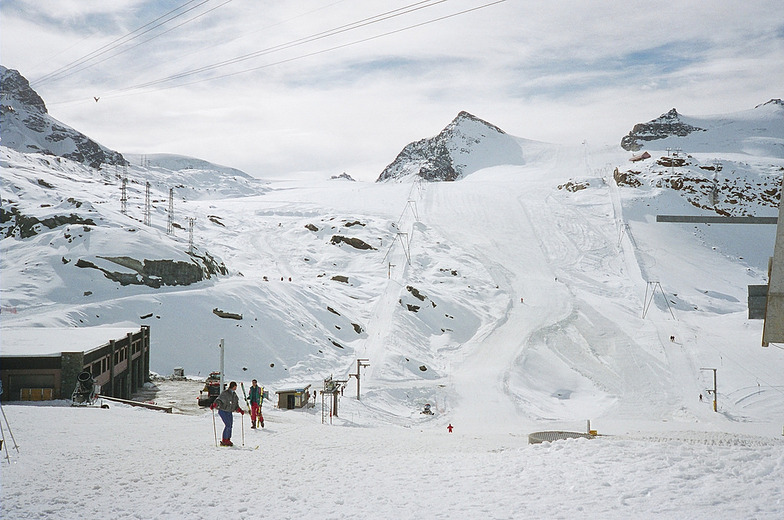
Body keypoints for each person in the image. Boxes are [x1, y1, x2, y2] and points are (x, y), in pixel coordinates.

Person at [211, 381, 244, 446]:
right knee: (228, 425)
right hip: (223, 411)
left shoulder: (234, 395)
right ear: (233, 386)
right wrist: (215, 404)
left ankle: (228, 439)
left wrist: (239, 410)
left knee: (230, 425)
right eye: (235, 386)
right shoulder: (225, 393)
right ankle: (224, 440)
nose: (236, 388)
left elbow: (235, 404)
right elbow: (219, 400)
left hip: (229, 411)